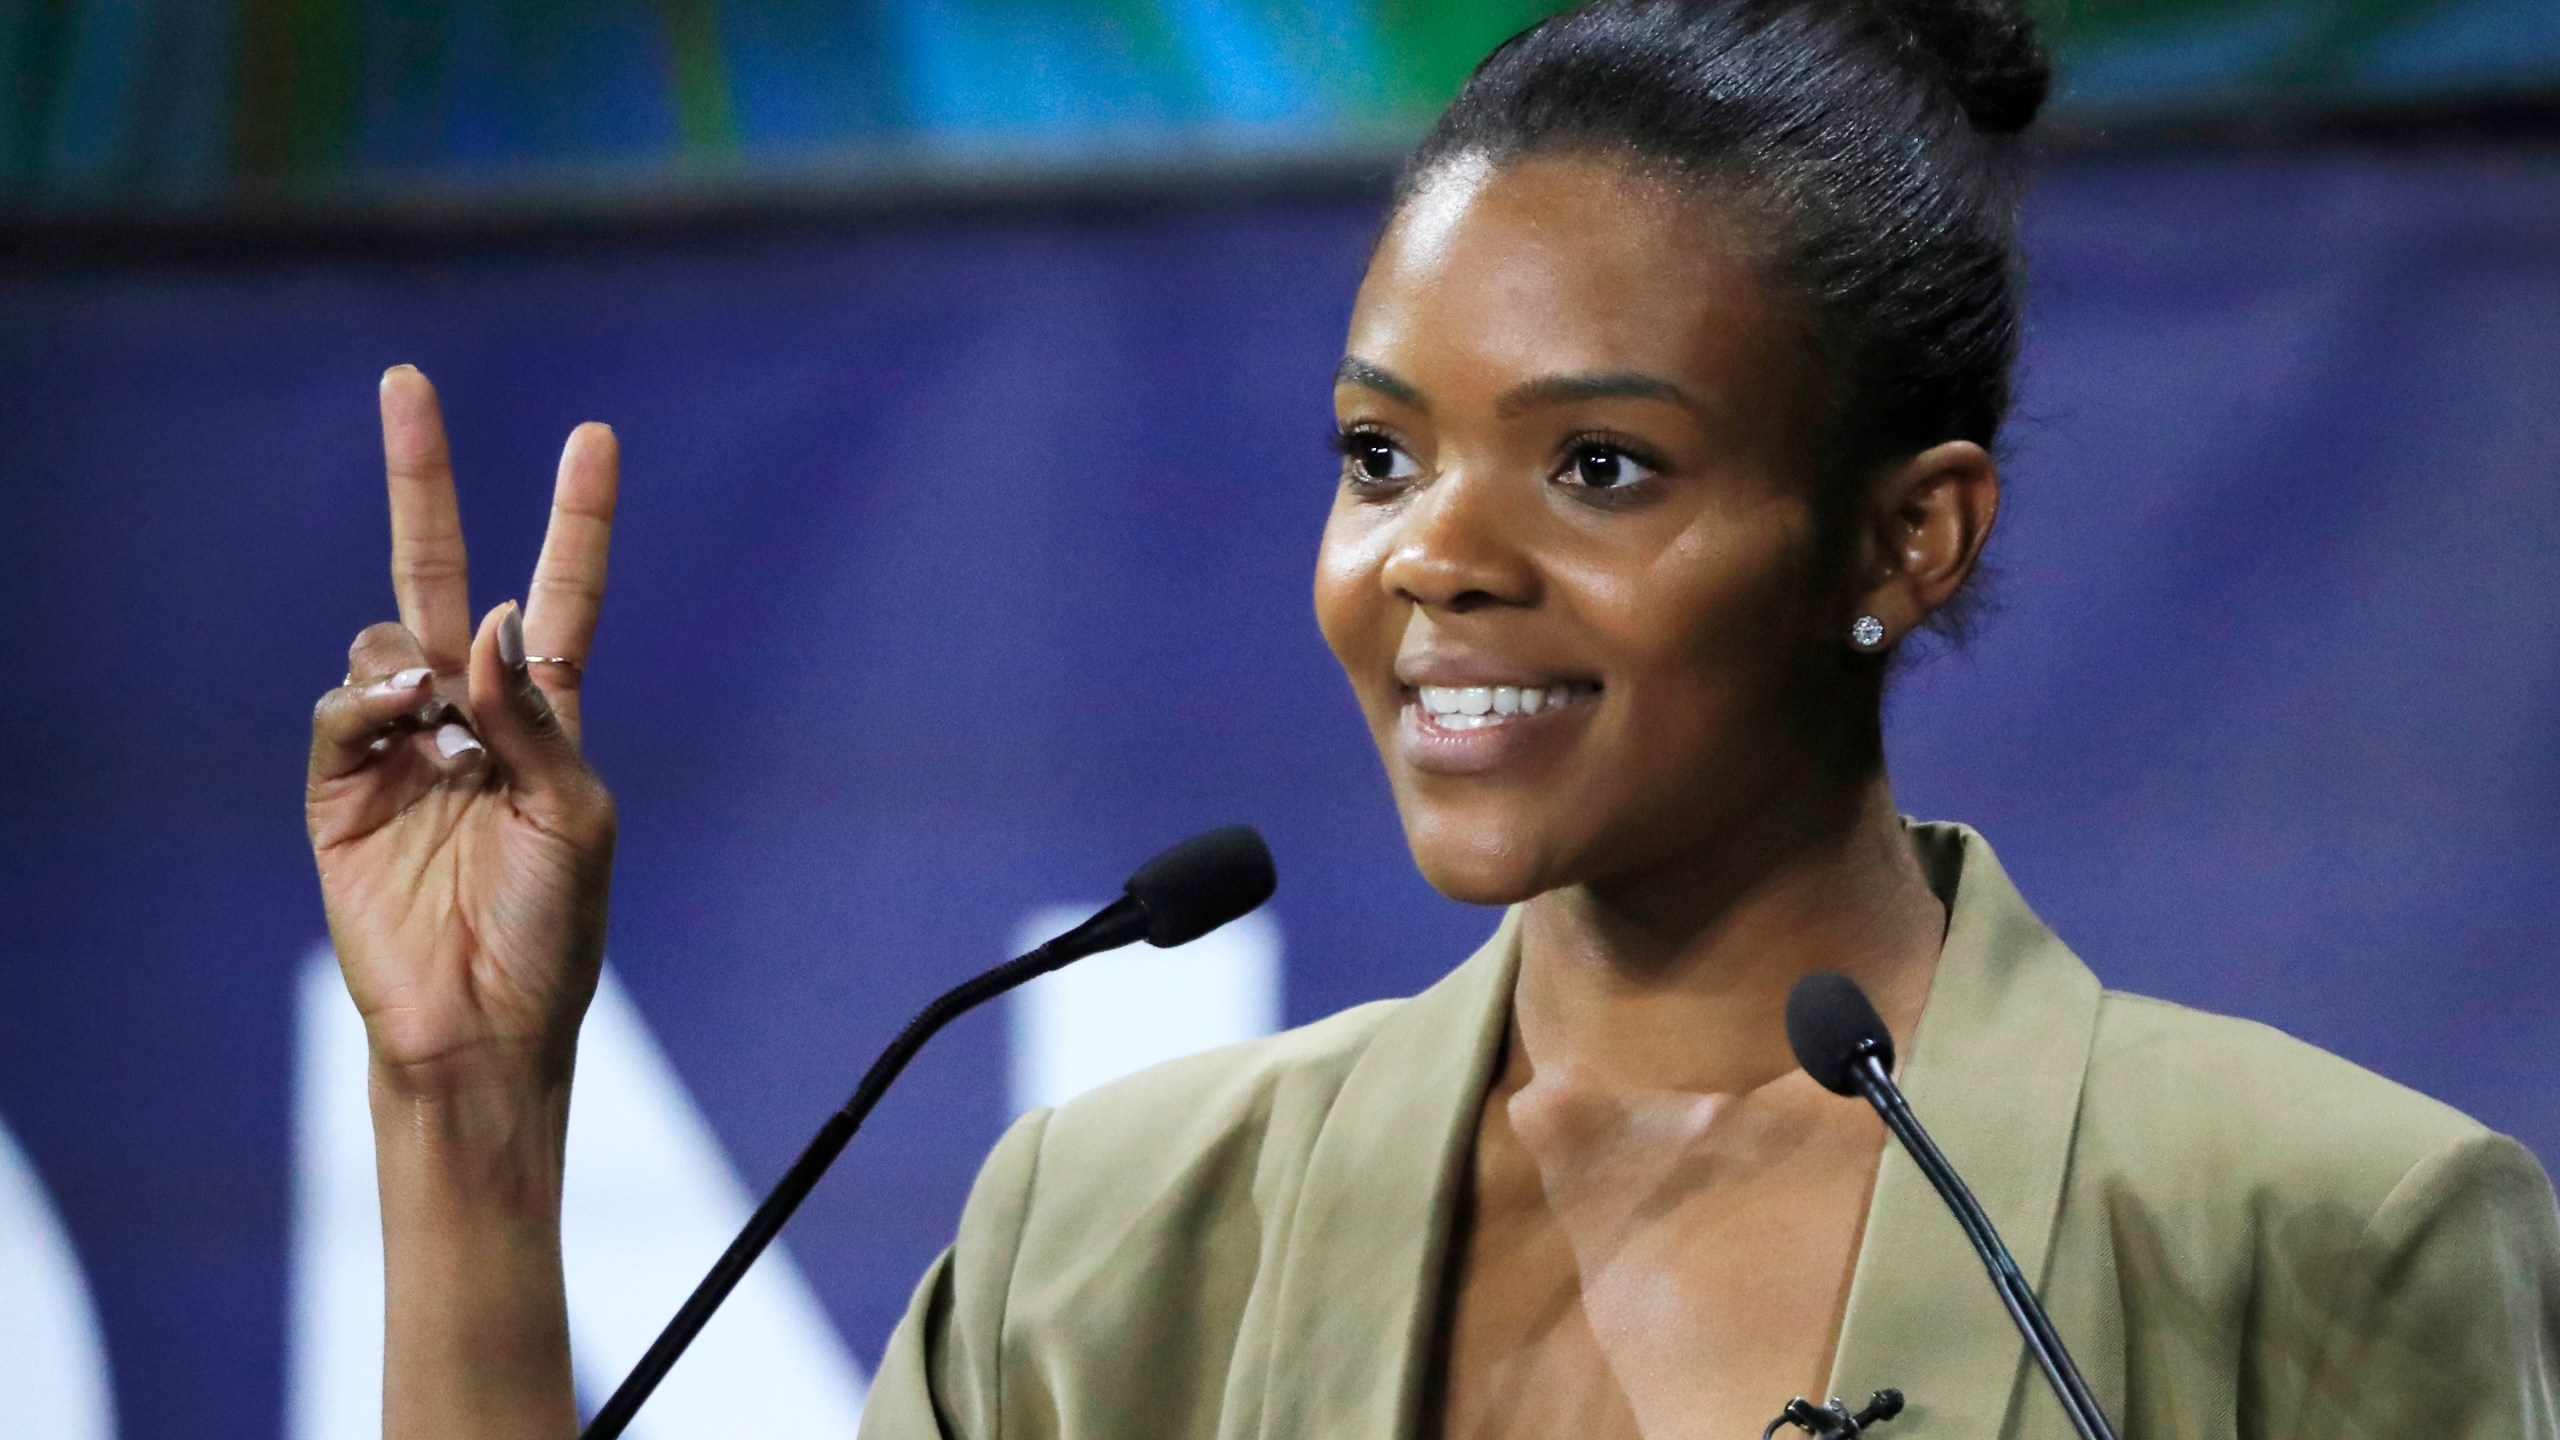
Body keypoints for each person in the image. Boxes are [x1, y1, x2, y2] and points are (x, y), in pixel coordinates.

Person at [304, 0, 2560, 1436]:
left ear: (1905, 540)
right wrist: (465, 1113)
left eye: (1599, 468)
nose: (1429, 558)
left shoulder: (2304, 1232)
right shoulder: (1114, 1239)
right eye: (1380, 456)